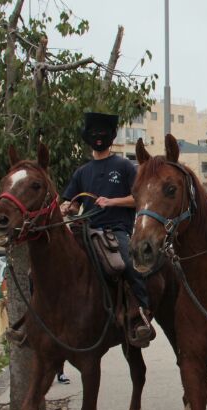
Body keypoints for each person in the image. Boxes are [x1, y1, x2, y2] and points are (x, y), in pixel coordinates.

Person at [60, 111, 154, 347]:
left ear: (111, 137)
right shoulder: (82, 172)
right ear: (87, 137)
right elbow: (71, 202)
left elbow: (140, 198)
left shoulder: (124, 166)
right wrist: (68, 207)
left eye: (103, 133)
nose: (98, 137)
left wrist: (112, 201)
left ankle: (142, 314)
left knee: (128, 263)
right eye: (94, 133)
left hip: (116, 230)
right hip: (86, 229)